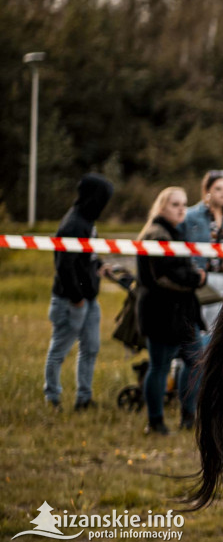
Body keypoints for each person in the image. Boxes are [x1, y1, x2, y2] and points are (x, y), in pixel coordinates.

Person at [136, 187, 208, 434]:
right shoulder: (156, 234)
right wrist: (195, 278)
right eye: (175, 204)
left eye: (184, 204)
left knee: (195, 360)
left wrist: (194, 277)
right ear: (162, 206)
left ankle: (189, 416)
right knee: (160, 366)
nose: (181, 209)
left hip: (183, 312)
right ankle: (155, 422)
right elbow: (163, 276)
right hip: (161, 311)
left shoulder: (173, 231)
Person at [44, 173, 114, 410]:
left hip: (89, 300)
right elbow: (64, 266)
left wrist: (99, 265)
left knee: (91, 348)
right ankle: (52, 398)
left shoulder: (88, 222)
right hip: (71, 301)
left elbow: (86, 256)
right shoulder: (73, 224)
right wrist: (76, 299)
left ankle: (84, 398)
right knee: (59, 351)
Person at [182, 169, 223, 330]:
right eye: (218, 189)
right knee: (199, 325)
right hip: (202, 278)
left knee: (220, 326)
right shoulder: (191, 215)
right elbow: (180, 245)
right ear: (207, 191)